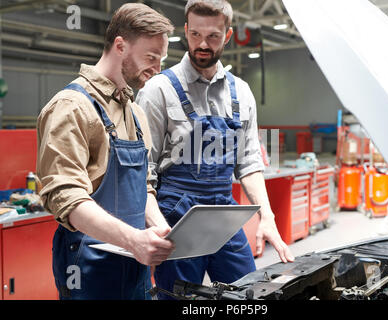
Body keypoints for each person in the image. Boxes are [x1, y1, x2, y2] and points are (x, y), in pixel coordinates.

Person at [136, 0, 294, 300]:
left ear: (229, 35)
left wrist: (268, 218)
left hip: (223, 211)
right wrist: (159, 227)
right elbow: (143, 173)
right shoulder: (158, 90)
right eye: (195, 35)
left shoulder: (242, 92)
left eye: (213, 37)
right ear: (185, 30)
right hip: (176, 216)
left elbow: (248, 163)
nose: (202, 45)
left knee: (249, 293)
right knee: (179, 299)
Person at [36, 3, 175, 300]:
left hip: (134, 264)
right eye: (151, 57)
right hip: (89, 269)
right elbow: (67, 200)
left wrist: (164, 231)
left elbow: (144, 188)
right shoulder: (71, 107)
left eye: (161, 59)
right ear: (120, 46)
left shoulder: (135, 113)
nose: (158, 69)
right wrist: (134, 240)